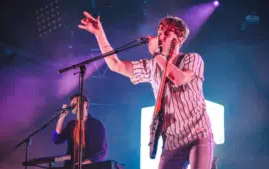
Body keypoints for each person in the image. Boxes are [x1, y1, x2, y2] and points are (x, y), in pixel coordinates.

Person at [78, 11, 214, 169]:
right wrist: (99, 34)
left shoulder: (192, 59)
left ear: (178, 40)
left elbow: (179, 78)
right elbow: (116, 65)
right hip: (172, 141)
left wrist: (156, 53)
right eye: (159, 33)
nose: (160, 37)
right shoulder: (152, 66)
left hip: (198, 135)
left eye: (166, 33)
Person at [52, 93, 107, 167]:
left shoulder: (96, 124)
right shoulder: (71, 125)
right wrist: (61, 117)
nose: (72, 104)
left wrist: (87, 162)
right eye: (72, 103)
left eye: (76, 102)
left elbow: (102, 151)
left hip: (89, 165)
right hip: (72, 165)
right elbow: (56, 139)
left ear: (85, 104)